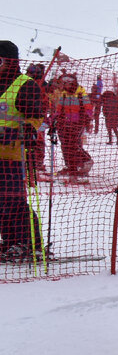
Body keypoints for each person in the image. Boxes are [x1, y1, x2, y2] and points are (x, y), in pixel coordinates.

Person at [0, 41, 47, 262]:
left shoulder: (24, 84)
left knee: (13, 201)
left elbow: (36, 116)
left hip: (10, 154)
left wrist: (27, 130)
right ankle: (9, 242)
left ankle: (28, 243)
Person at [50, 72, 93, 182]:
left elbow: (88, 108)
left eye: (67, 83)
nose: (65, 86)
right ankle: (72, 168)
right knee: (66, 145)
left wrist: (87, 119)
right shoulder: (64, 95)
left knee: (74, 144)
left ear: (73, 83)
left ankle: (86, 160)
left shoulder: (81, 93)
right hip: (64, 123)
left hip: (77, 123)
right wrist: (53, 120)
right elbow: (59, 110)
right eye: (63, 83)